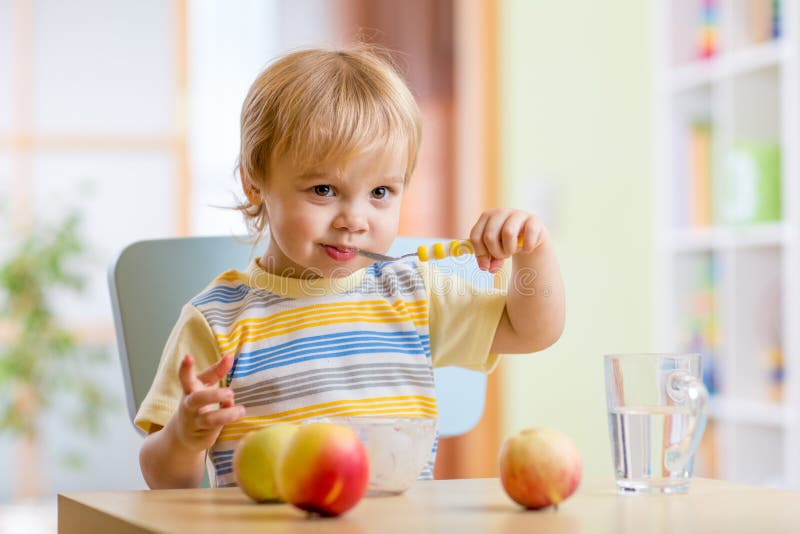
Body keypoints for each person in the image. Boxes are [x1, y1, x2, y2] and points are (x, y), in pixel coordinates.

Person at [135, 46, 565, 489]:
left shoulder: (413, 293)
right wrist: (184, 439)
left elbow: (533, 330)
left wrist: (534, 251)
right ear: (254, 182)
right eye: (324, 189)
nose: (355, 221)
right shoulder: (216, 320)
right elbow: (164, 481)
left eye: (380, 192)